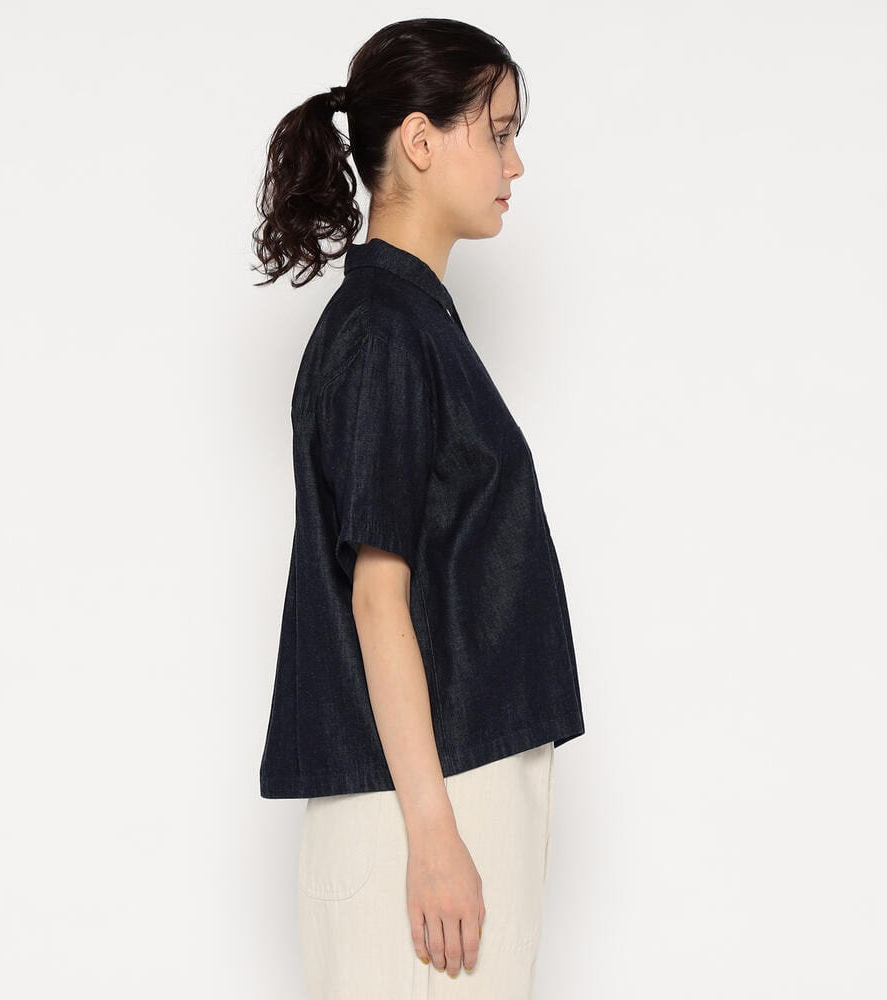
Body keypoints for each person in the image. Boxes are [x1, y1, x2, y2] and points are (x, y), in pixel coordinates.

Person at [252, 17, 585, 998]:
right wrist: (434, 834)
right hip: (427, 800)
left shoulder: (410, 322)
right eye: (499, 131)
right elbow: (376, 594)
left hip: (439, 786)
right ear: (421, 139)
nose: (515, 164)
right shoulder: (387, 331)